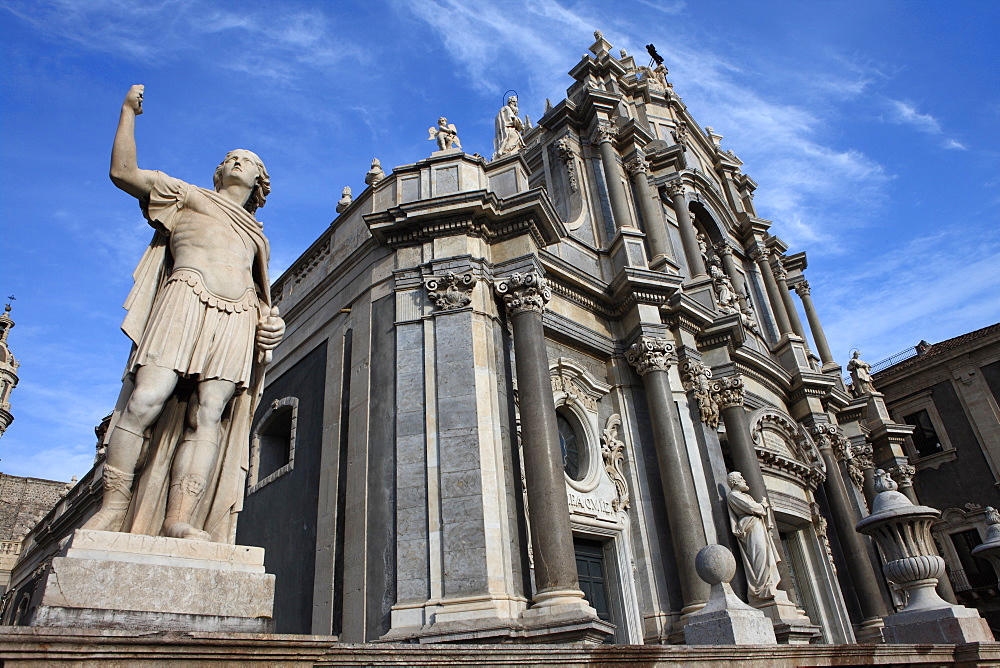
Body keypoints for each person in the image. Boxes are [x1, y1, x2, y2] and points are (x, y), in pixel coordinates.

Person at [83, 85, 285, 543]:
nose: (238, 161)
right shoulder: (187, 196)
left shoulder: (257, 235)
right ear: (219, 171)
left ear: (258, 184)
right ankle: (114, 507)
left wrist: (271, 322)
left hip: (235, 317)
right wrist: (127, 114)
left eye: (248, 161)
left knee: (209, 415)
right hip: (185, 298)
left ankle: (180, 517)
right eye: (232, 157)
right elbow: (123, 171)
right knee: (145, 401)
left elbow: (261, 295)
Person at [726, 471, 781, 600]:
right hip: (751, 527)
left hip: (756, 524)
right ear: (734, 482)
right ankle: (761, 587)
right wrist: (762, 505)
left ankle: (768, 584)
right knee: (759, 555)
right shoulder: (733, 495)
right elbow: (751, 507)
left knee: (766, 555)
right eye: (741, 478)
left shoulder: (743, 495)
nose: (744, 480)